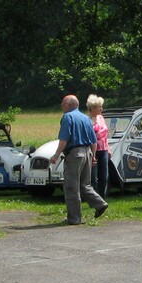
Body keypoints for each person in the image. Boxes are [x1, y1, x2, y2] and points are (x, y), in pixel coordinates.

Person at [50, 95, 108, 225]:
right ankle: (100, 203)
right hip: (88, 153)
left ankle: (74, 218)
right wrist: (93, 156)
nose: (61, 105)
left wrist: (56, 155)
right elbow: (94, 141)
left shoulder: (68, 117)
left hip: (75, 154)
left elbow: (64, 139)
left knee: (71, 186)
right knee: (85, 185)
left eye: (63, 103)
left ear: (69, 105)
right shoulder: (86, 118)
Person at [88, 94, 110, 198]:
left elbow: (105, 135)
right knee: (94, 178)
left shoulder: (101, 118)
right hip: (93, 151)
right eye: (99, 107)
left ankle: (102, 199)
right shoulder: (87, 120)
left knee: (104, 176)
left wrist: (108, 148)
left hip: (104, 150)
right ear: (92, 108)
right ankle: (95, 199)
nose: (102, 109)